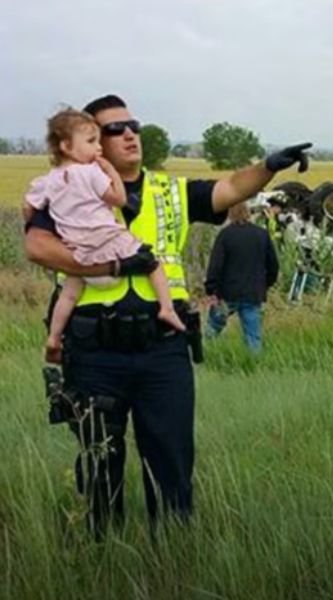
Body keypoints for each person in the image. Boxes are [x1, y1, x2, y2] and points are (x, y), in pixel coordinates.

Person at [24, 94, 311, 534]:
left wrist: (269, 166)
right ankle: (101, 552)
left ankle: (173, 553)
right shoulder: (68, 187)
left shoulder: (169, 191)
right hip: (94, 348)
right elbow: (38, 246)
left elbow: (231, 188)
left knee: (172, 462)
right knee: (100, 461)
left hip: (163, 348)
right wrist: (113, 266)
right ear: (90, 142)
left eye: (133, 125)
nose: (130, 134)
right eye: (115, 129)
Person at [24, 108, 185, 364]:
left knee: (68, 295)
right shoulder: (91, 173)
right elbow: (118, 199)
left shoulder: (48, 181)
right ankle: (167, 309)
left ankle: (54, 338)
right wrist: (110, 171)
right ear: (67, 146)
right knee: (152, 263)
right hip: (108, 243)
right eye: (91, 142)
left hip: (81, 254)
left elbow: (29, 207)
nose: (98, 148)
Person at [204, 202, 280, 352]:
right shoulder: (262, 235)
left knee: (212, 329)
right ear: (248, 213)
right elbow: (273, 265)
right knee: (253, 336)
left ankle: (204, 357)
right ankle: (253, 367)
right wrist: (265, 284)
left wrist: (211, 290)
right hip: (252, 293)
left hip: (226, 293)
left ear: (230, 214)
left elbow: (215, 266)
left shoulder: (225, 235)